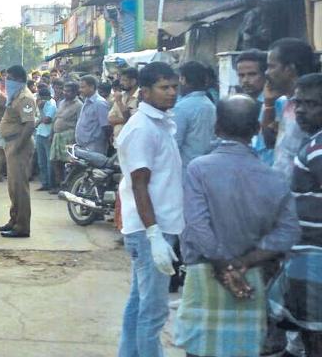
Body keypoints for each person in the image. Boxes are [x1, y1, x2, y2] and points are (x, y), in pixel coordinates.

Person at [175, 95, 300, 357]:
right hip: (250, 276)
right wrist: (244, 261)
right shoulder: (275, 178)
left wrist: (224, 264)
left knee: (199, 350)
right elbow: (289, 232)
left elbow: (198, 225)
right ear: (256, 130)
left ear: (217, 128)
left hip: (206, 272)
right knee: (243, 350)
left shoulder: (199, 169)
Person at [116, 62, 183, 357]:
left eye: (174, 87)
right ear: (144, 92)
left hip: (159, 225)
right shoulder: (142, 129)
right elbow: (139, 184)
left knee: (138, 304)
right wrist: (154, 234)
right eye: (164, 87)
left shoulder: (160, 123)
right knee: (153, 313)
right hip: (149, 229)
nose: (171, 93)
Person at [267, 73, 322, 356]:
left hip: (314, 256)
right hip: (305, 254)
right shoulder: (312, 143)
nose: (300, 109)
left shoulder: (318, 148)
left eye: (311, 104)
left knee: (314, 336)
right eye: (298, 102)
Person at [262, 38, 320, 180]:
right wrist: (269, 104)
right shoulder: (283, 103)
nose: (266, 73)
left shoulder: (314, 106)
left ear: (290, 68)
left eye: (271, 66)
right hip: (281, 189)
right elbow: (269, 143)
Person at [0, 65, 36, 238]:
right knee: (13, 186)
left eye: (10, 78)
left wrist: (18, 147)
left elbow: (30, 125)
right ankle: (14, 220)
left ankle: (22, 226)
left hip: (19, 144)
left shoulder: (25, 97)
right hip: (11, 143)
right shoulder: (16, 95)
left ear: (19, 80)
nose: (7, 81)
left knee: (20, 187)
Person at [173, 61, 217, 170]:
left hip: (187, 169)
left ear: (183, 80)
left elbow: (174, 145)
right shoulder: (210, 105)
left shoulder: (181, 107)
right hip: (208, 167)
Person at [235, 49, 272, 165]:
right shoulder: (238, 104)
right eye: (241, 75)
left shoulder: (274, 104)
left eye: (252, 74)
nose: (245, 80)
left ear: (265, 74)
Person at [49, 82, 82, 193]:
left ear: (75, 92)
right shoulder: (62, 102)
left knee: (68, 163)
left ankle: (68, 186)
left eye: (68, 91)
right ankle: (59, 185)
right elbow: (55, 118)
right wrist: (51, 133)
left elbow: (79, 123)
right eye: (65, 90)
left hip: (69, 136)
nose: (65, 93)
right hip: (57, 136)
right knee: (55, 161)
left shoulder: (79, 105)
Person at [75, 75, 111, 154]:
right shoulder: (87, 101)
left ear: (91, 87)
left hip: (94, 147)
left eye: (83, 87)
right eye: (80, 87)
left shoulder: (100, 103)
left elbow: (106, 127)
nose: (80, 90)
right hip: (83, 146)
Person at [34, 87, 57, 191]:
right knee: (41, 161)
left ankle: (51, 184)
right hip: (40, 133)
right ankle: (44, 183)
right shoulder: (41, 104)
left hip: (48, 134)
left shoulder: (51, 104)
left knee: (49, 162)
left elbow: (47, 119)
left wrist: (38, 121)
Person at [108, 68, 140, 141]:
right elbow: (110, 119)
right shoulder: (121, 96)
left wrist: (119, 102)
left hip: (132, 141)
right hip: (118, 140)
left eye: (124, 80)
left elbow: (133, 121)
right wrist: (125, 119)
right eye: (120, 80)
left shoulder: (141, 97)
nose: (121, 83)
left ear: (133, 81)